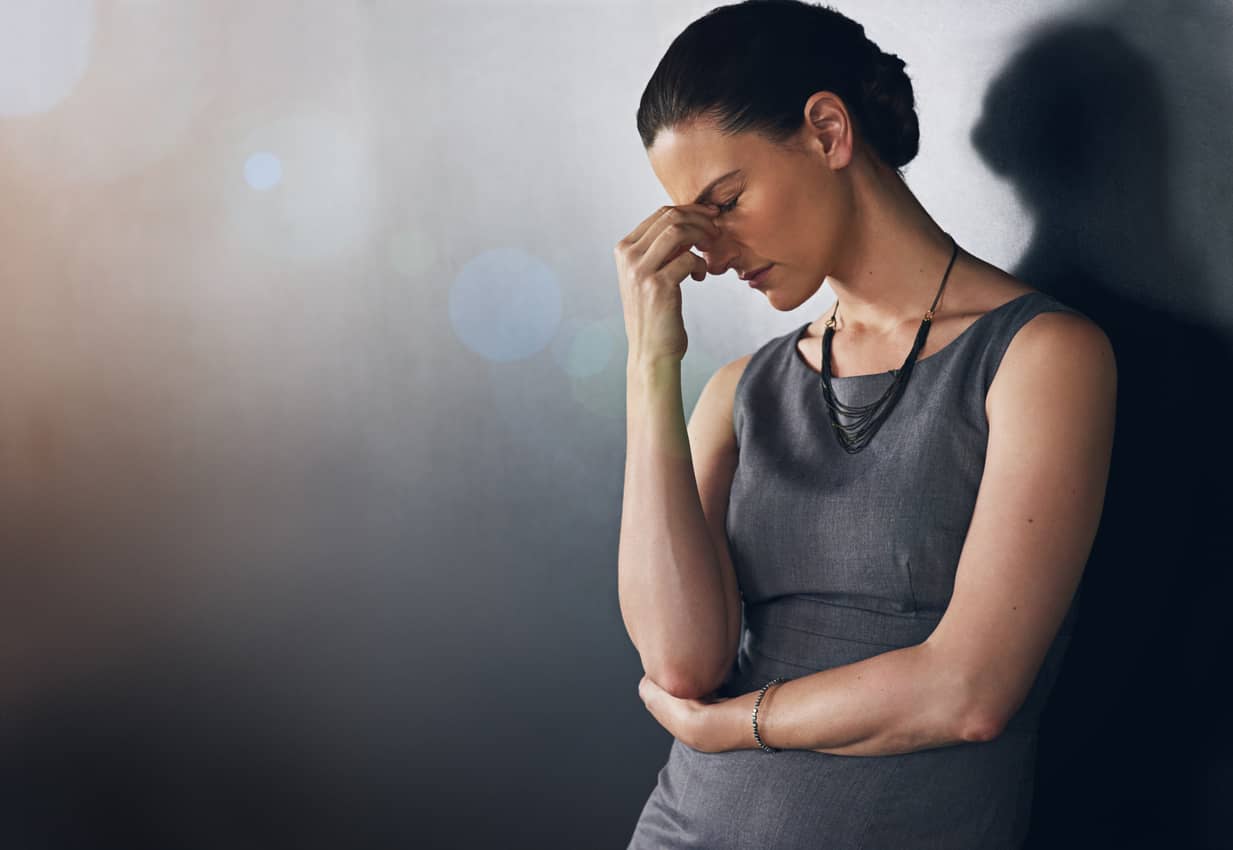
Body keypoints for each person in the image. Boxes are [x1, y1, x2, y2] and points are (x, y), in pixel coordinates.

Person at [614, 2, 1117, 848]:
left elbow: (970, 693)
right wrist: (648, 366)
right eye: (693, 224)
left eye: (726, 199)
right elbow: (679, 663)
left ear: (825, 130)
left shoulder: (1040, 357)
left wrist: (729, 726)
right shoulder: (740, 390)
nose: (713, 253)